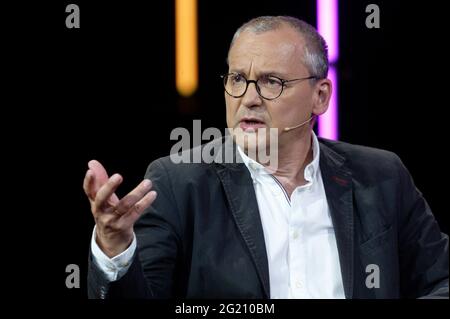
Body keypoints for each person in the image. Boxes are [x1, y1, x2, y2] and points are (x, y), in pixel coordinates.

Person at [85, 16, 448, 299]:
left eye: (272, 82)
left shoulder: (381, 175)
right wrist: (115, 251)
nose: (249, 98)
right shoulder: (179, 182)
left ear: (320, 97)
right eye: (238, 79)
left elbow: (440, 281)